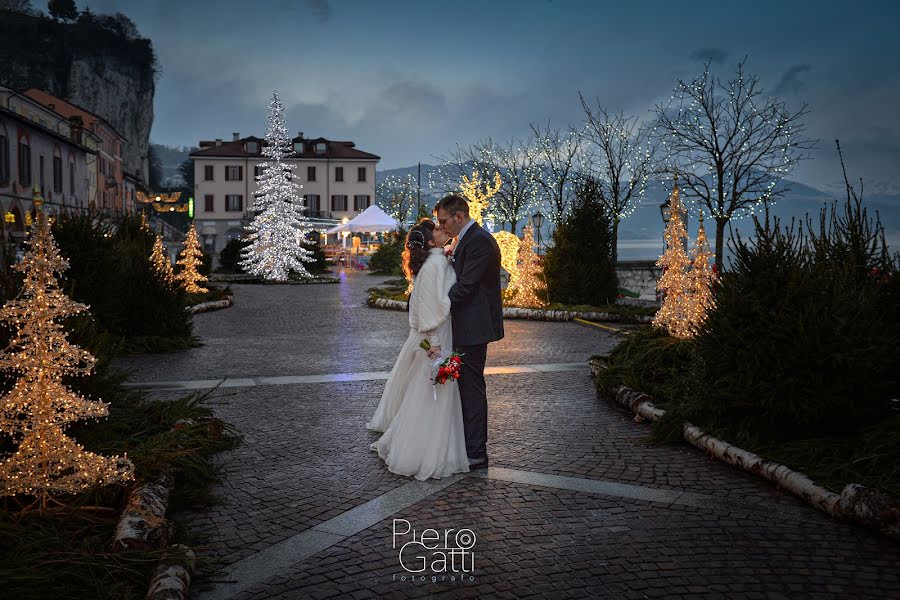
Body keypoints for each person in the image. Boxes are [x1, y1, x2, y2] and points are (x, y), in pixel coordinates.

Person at [366, 219, 469, 480]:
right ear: (431, 242)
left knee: (432, 390)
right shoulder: (434, 265)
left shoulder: (437, 261)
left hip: (443, 333)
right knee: (431, 390)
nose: (442, 229)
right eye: (436, 230)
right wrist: (434, 343)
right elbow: (427, 308)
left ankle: (437, 446)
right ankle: (423, 450)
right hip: (438, 337)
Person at [432, 195, 504, 470]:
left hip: (474, 327)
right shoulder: (467, 239)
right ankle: (468, 446)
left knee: (472, 390)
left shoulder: (480, 242)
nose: (442, 227)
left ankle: (476, 452)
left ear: (459, 216)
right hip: (466, 325)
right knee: (465, 387)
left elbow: (467, 286)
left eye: (444, 221)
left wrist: (437, 306)